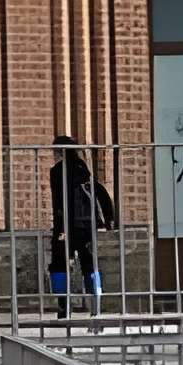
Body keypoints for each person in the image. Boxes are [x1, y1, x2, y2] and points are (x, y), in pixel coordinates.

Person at [49, 134, 115, 319]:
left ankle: (63, 306)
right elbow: (101, 192)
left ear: (60, 152)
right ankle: (96, 305)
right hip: (86, 226)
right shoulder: (83, 170)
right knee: (89, 264)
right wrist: (109, 219)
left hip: (64, 226)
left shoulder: (57, 172)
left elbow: (59, 202)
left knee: (59, 264)